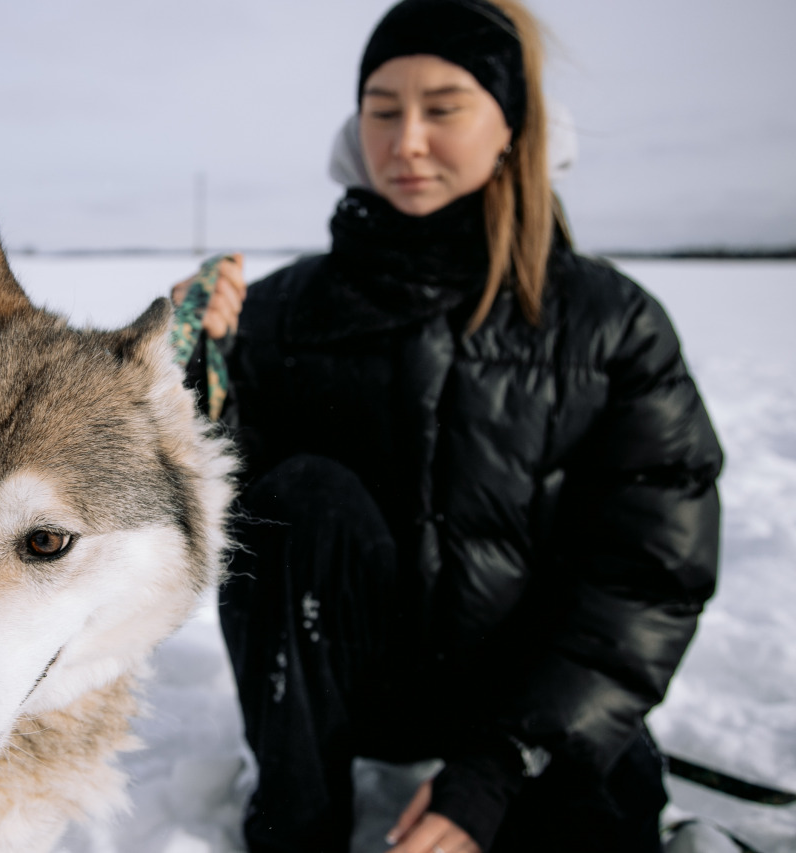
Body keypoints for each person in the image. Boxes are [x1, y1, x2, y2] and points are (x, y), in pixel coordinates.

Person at [173, 1, 723, 851]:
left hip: (525, 702)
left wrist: (501, 766)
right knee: (298, 498)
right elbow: (219, 510)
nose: (408, 141)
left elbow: (648, 570)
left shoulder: (608, 323)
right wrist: (190, 380)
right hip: (352, 688)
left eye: (443, 107)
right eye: (383, 110)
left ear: (513, 127)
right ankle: (294, 818)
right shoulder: (284, 312)